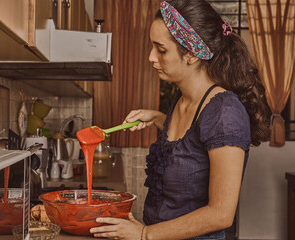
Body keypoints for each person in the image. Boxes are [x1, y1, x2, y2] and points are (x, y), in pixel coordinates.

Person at [90, 0, 271, 239]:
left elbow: (221, 214)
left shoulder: (225, 112)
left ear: (192, 54)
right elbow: (193, 142)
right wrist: (158, 118)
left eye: (161, 49)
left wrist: (144, 233)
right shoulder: (182, 98)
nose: (151, 57)